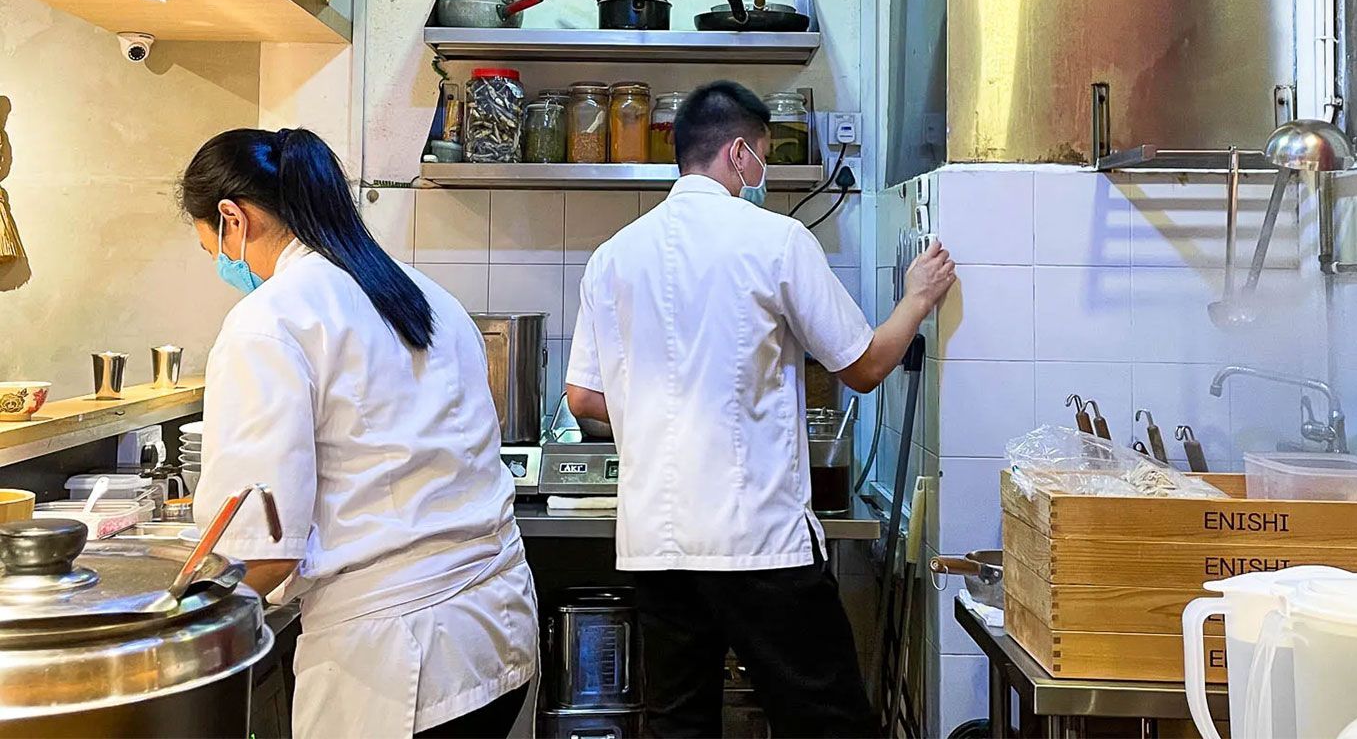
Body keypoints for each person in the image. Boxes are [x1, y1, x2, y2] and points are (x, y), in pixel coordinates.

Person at [565, 80, 956, 738]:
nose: (762, 173)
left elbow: (581, 396)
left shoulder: (613, 256)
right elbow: (862, 367)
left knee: (677, 728)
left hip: (657, 545)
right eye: (764, 157)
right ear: (738, 153)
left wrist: (661, 404)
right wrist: (916, 300)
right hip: (758, 542)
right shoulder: (776, 239)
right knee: (826, 724)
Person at [180, 127, 538, 739]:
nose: (222, 263)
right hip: (497, 628)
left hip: (398, 662)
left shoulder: (267, 322)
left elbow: (259, 547)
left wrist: (171, 622)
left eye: (211, 245)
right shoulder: (427, 295)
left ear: (233, 219)